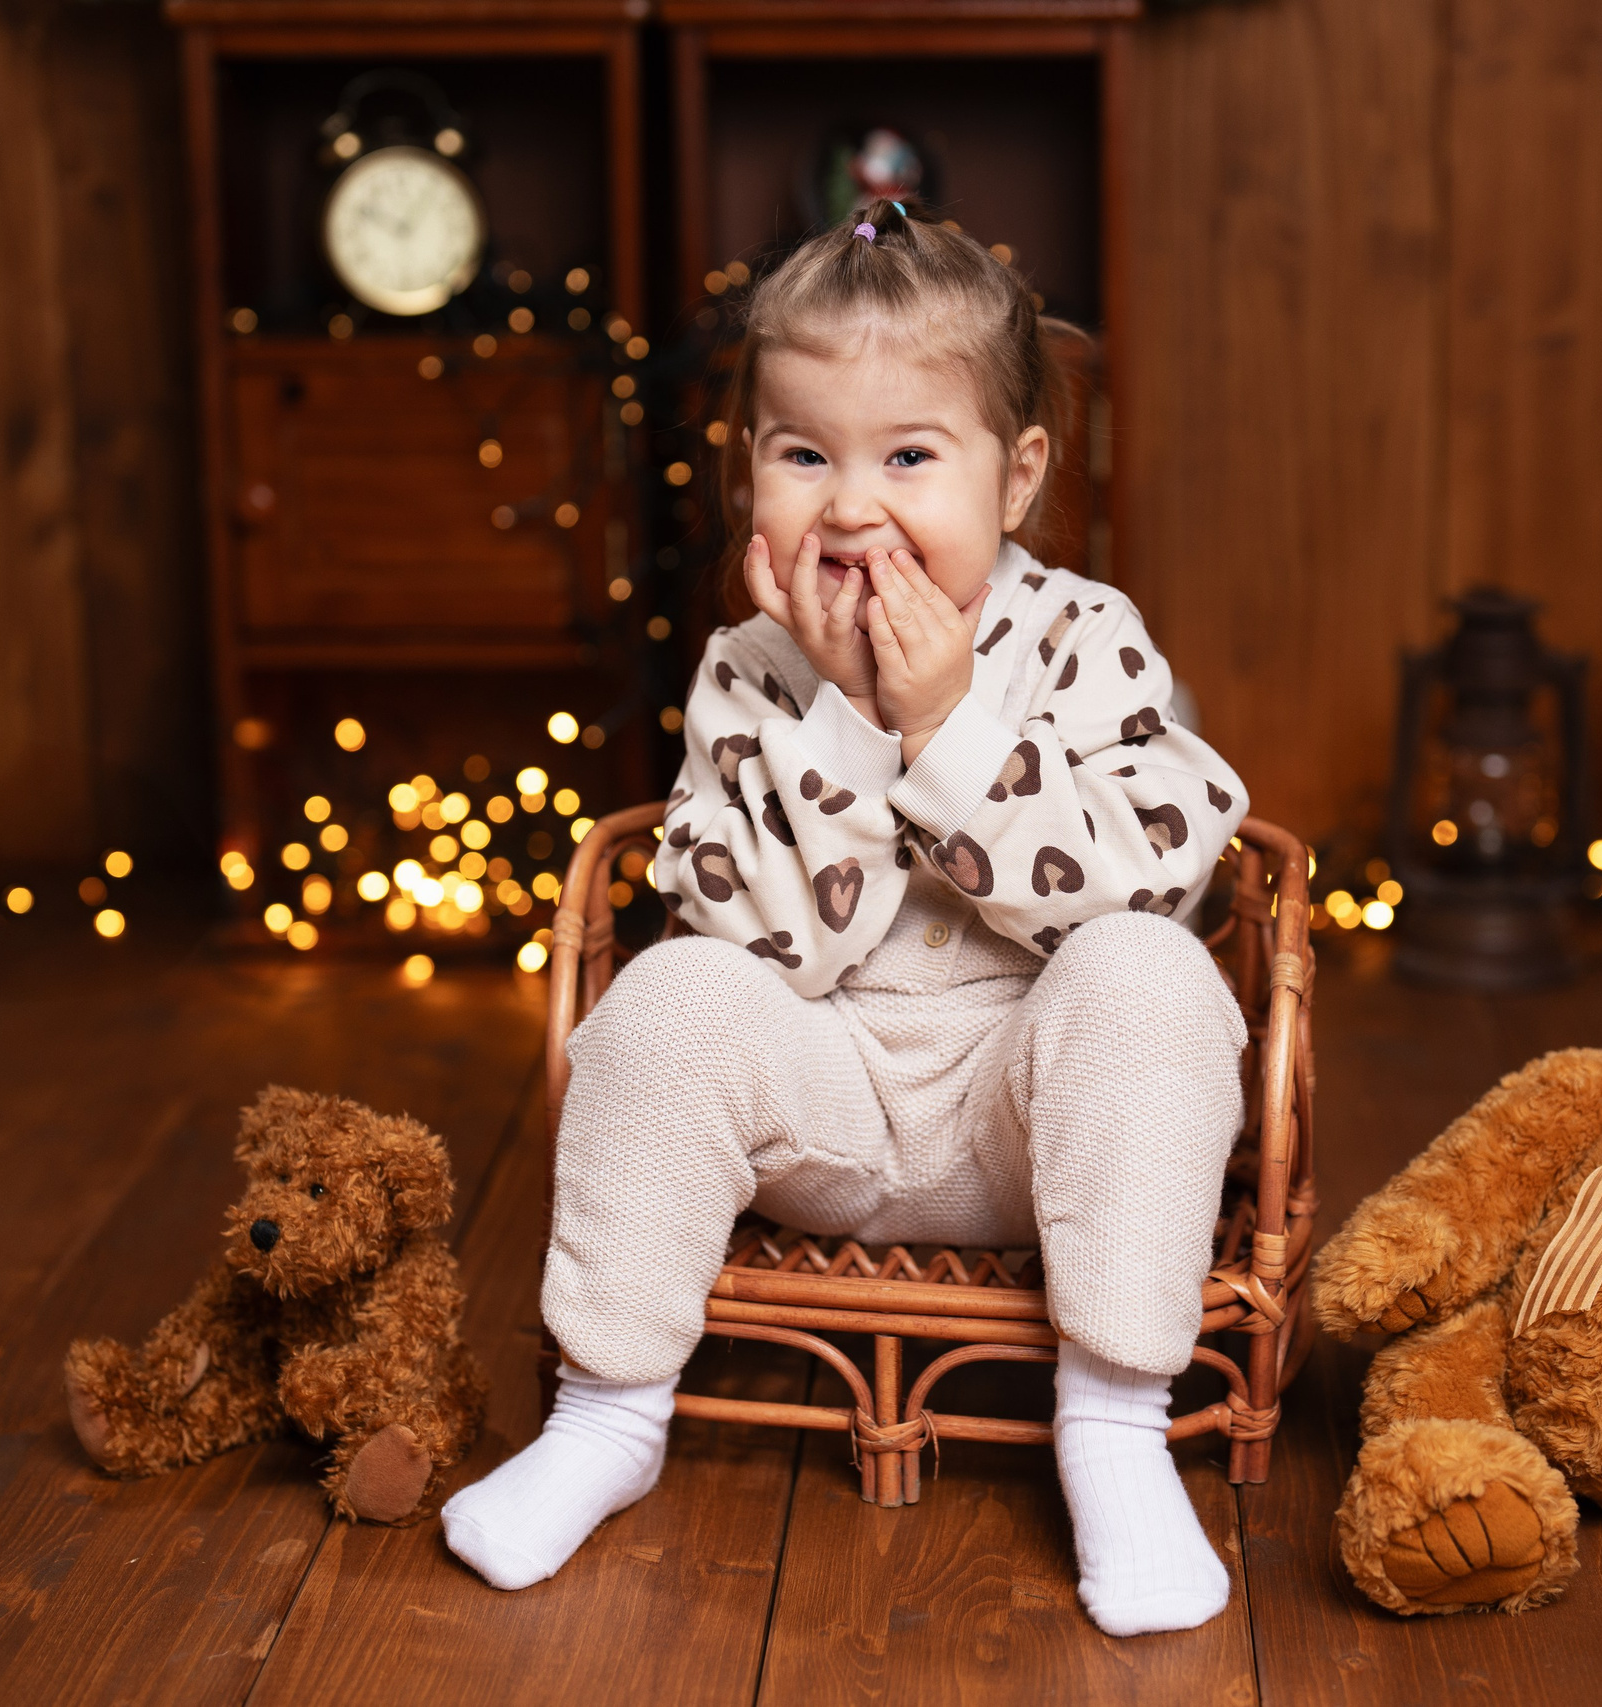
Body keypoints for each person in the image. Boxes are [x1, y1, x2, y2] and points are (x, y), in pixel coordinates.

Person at [442, 200, 1251, 1638]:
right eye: (803, 455)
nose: (852, 507)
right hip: (821, 1120)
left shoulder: (1084, 640)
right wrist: (845, 716)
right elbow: (766, 942)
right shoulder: (749, 668)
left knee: (1150, 975)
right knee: (668, 998)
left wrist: (946, 726)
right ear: (749, 464)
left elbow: (1138, 886)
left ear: (1017, 477)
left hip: (1030, 1127)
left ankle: (1116, 1423)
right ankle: (609, 1413)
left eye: (910, 458)